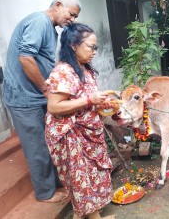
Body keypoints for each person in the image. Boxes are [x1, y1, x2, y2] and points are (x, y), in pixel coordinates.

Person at [2, 0, 81, 202]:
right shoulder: (39, 21)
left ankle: (55, 184)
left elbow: (42, 60)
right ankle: (45, 194)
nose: (72, 20)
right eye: (71, 14)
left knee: (50, 141)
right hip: (24, 99)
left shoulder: (50, 28)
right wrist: (46, 89)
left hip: (37, 97)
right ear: (57, 5)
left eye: (75, 17)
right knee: (37, 146)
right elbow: (25, 57)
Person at [45, 23, 114, 219]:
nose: (94, 52)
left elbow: (86, 98)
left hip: (89, 132)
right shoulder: (63, 72)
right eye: (91, 47)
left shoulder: (84, 68)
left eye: (95, 48)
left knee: (93, 175)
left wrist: (101, 103)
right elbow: (54, 106)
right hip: (71, 135)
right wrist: (89, 100)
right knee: (82, 179)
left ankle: (84, 215)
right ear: (74, 45)